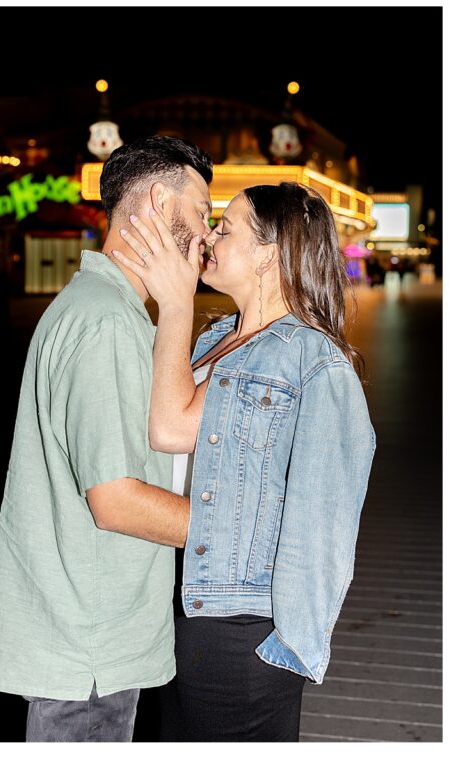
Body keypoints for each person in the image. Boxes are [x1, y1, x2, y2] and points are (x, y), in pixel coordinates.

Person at [110, 181, 375, 741]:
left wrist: (295, 641)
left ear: (269, 254)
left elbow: (170, 427)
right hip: (186, 602)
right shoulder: (217, 339)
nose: (209, 236)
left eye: (225, 229)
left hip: (245, 625)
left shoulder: (313, 360)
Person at [0, 136, 215, 741]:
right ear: (160, 202)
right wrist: (237, 533)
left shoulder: (103, 308)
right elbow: (115, 499)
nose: (208, 235)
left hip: (85, 630)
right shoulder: (106, 322)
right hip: (90, 645)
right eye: (203, 214)